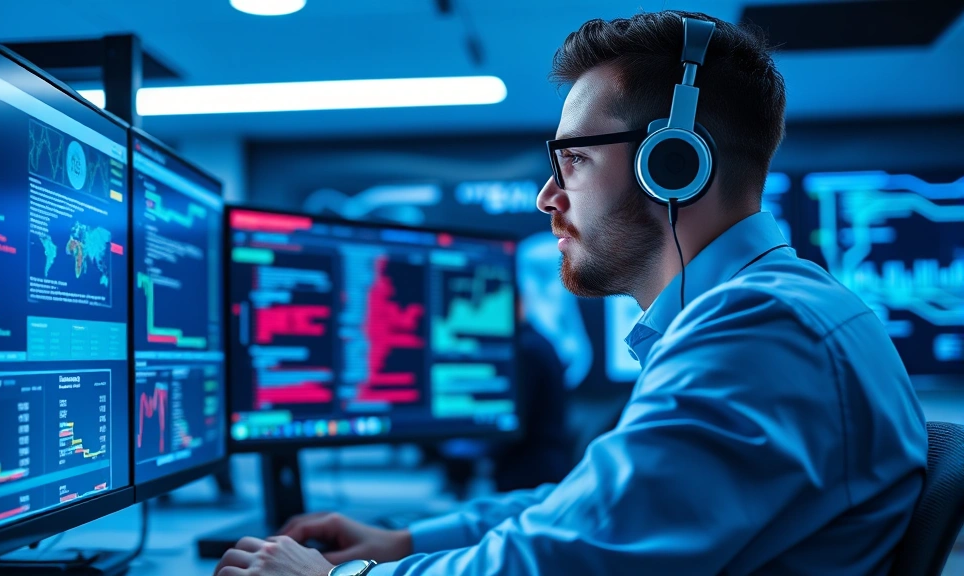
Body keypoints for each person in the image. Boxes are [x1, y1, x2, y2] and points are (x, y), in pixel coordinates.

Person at [213, 10, 927, 576]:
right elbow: (590, 507)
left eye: (576, 160)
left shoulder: (763, 331)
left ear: (673, 166)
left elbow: (567, 559)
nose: (546, 198)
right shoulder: (768, 313)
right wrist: (405, 542)